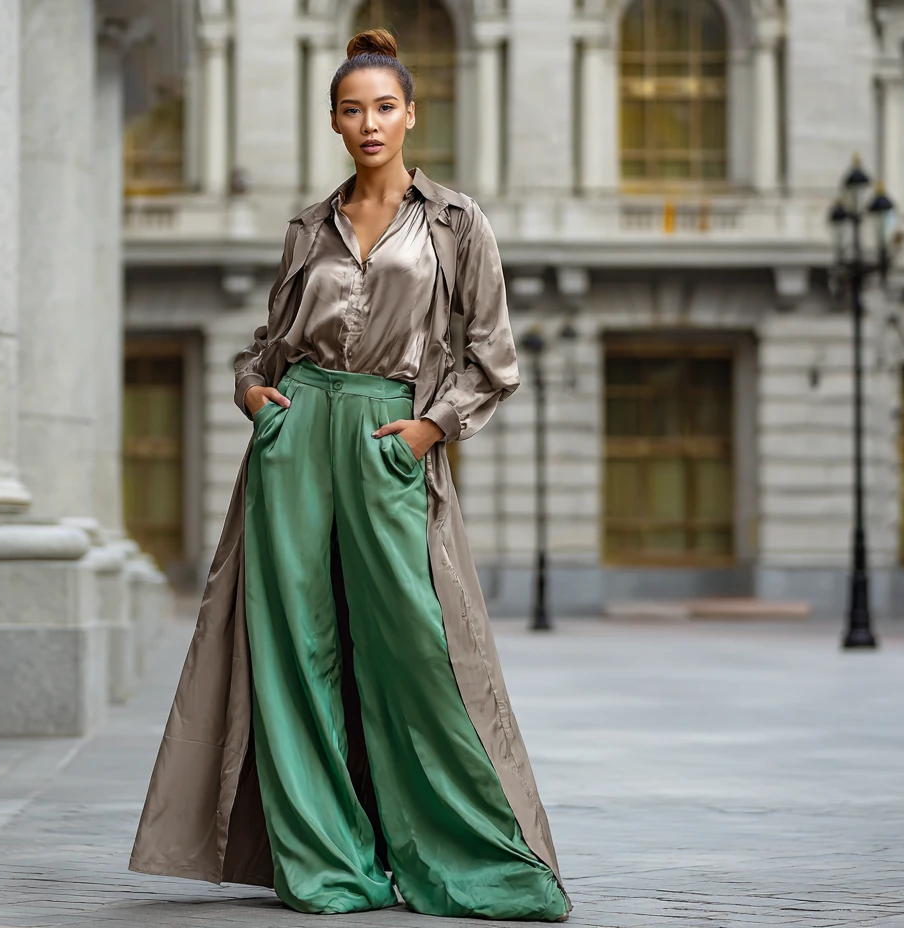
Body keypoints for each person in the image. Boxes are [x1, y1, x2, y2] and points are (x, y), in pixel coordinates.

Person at [130, 28, 571, 923]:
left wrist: (428, 433)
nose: (367, 122)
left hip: (388, 437)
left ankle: (471, 858)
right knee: (295, 651)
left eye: (383, 106)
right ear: (333, 121)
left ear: (412, 114)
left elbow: (493, 359)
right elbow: (265, 345)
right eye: (350, 108)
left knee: (417, 647)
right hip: (296, 438)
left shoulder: (456, 223)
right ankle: (328, 861)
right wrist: (256, 395)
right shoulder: (308, 225)